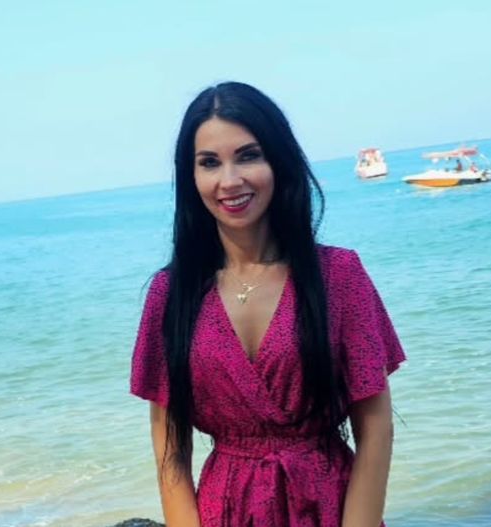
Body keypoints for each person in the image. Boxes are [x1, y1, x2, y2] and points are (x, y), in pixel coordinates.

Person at [130, 81, 405, 526]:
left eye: (248, 156)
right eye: (209, 162)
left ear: (278, 161)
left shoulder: (339, 275)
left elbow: (375, 428)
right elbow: (169, 447)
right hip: (225, 511)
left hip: (330, 507)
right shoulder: (171, 294)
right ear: (191, 177)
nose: (229, 180)